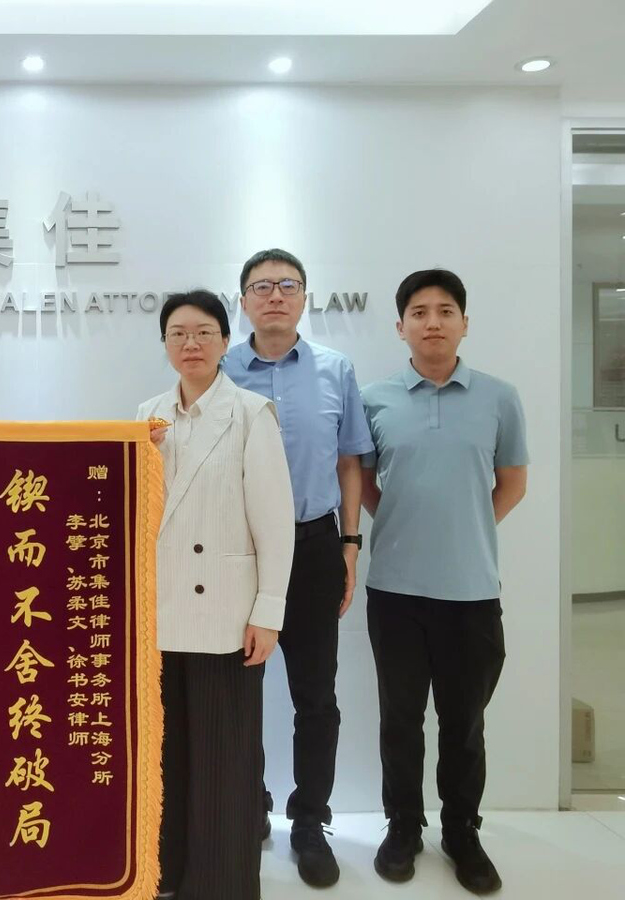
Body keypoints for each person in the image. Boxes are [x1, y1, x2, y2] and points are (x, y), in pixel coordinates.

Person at [361, 269, 528, 895]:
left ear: (464, 323)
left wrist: (466, 529)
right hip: (395, 592)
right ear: (400, 326)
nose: (432, 321)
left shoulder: (499, 397)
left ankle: (462, 832)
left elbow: (513, 482)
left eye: (445, 310)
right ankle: (403, 826)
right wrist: (408, 524)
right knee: (400, 720)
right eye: (419, 311)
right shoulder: (374, 399)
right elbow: (365, 482)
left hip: (472, 592)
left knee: (464, 723)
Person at [223, 248, 373, 887]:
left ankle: (309, 820)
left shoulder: (336, 369)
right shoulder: (221, 370)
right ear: (244, 302)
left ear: (304, 297)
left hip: (313, 548)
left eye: (288, 285)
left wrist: (350, 542)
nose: (275, 295)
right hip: (238, 551)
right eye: (262, 286)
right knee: (239, 691)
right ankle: (248, 805)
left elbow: (349, 462)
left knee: (316, 695)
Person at [138, 290, 294, 900]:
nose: (191, 344)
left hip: (226, 612)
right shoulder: (147, 415)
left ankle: (221, 885)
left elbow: (275, 525)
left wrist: (268, 612)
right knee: (168, 753)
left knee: (224, 759)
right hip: (159, 610)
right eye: (178, 333)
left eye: (204, 332)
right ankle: (167, 872)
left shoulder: (252, 414)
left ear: (226, 341)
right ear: (164, 345)